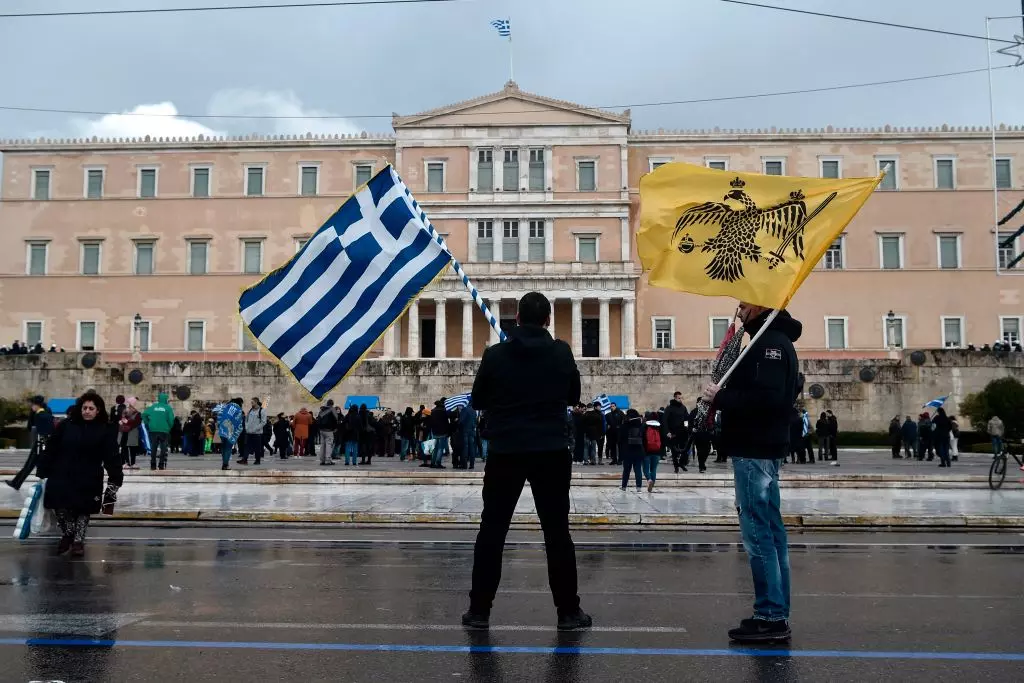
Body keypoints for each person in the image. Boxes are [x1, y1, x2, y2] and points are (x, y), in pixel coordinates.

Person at [463, 292, 590, 632]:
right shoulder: (561, 351)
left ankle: (479, 610)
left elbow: (477, 398)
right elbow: (573, 395)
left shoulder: (495, 354)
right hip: (550, 450)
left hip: (506, 450)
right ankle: (567, 612)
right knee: (557, 533)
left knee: (492, 531)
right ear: (547, 320)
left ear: (516, 318)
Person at [702, 302, 802, 644]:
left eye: (744, 302)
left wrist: (721, 396)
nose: (739, 307)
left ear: (760, 304)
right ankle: (776, 612)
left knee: (759, 533)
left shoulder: (768, 344)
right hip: (763, 447)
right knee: (772, 533)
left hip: (754, 448)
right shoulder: (771, 341)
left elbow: (769, 399)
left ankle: (770, 615)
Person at [37, 391, 122, 557]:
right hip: (62, 473)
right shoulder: (66, 425)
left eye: (91, 408)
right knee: (59, 506)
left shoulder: (105, 430)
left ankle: (78, 541)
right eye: (84, 407)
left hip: (89, 476)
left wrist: (115, 477)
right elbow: (52, 447)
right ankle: (68, 533)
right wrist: (43, 467)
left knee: (83, 509)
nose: (87, 411)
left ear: (98, 411)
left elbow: (112, 456)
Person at [7, 395, 54, 490]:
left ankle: (16, 483)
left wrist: (42, 448)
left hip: (40, 443)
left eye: (32, 404)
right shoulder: (46, 413)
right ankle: (16, 483)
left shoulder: (40, 415)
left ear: (37, 405)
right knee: (30, 465)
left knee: (31, 465)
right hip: (42, 442)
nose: (31, 407)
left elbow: (43, 432)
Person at [142, 392, 174, 470]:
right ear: (165, 399)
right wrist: (169, 427)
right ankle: (161, 464)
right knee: (163, 447)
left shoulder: (153, 407)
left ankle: (153, 464)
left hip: (153, 429)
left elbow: (143, 414)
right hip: (164, 430)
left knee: (154, 447)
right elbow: (171, 420)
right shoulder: (168, 408)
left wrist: (148, 423)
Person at [618, 409, 645, 492]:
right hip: (638, 450)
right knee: (638, 470)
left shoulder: (624, 425)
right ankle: (639, 487)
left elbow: (620, 439)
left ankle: (624, 486)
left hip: (627, 451)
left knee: (626, 470)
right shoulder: (641, 425)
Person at [663, 392, 689, 473]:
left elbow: (686, 418)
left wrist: (687, 427)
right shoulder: (669, 408)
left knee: (684, 449)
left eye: (681, 398)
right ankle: (676, 466)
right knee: (674, 451)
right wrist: (667, 432)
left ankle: (681, 463)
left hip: (682, 432)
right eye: (679, 398)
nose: (680, 399)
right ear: (675, 398)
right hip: (672, 432)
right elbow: (664, 420)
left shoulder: (683, 407)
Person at [216, 398, 245, 470]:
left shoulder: (224, 407)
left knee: (223, 447)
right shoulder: (238, 409)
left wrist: (220, 427)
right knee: (228, 448)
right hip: (231, 431)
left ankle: (224, 463)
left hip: (222, 430)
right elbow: (239, 422)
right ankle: (225, 465)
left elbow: (218, 417)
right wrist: (238, 430)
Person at [240, 397, 267, 466]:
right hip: (249, 432)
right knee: (247, 446)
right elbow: (246, 419)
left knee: (257, 447)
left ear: (256, 402)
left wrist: (256, 428)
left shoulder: (262, 411)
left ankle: (257, 460)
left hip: (257, 433)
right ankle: (244, 459)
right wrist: (246, 427)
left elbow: (264, 422)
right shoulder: (250, 410)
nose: (251, 403)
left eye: (252, 402)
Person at [119, 397, 143, 469]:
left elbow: (137, 423)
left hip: (133, 433)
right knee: (124, 448)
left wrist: (128, 422)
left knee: (133, 448)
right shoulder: (126, 412)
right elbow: (123, 419)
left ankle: (133, 463)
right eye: (129, 405)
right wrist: (121, 421)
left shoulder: (138, 414)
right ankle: (125, 462)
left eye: (130, 405)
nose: (129, 406)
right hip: (125, 432)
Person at [642, 413, 662, 492]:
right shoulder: (659, 426)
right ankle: (652, 485)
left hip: (646, 451)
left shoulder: (644, 426)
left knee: (645, 469)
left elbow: (642, 438)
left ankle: (649, 480)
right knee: (653, 469)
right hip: (657, 451)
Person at [315, 400, 339, 466]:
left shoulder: (322, 410)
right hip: (329, 430)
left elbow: (318, 419)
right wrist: (335, 428)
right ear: (332, 404)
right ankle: (328, 460)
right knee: (329, 445)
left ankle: (322, 460)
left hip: (322, 430)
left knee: (322, 445)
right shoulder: (332, 409)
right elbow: (336, 420)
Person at [429, 400, 451, 469]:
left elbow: (431, 421)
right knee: (440, 448)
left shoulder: (433, 411)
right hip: (442, 432)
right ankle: (438, 463)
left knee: (435, 448)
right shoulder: (443, 411)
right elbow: (448, 420)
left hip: (435, 431)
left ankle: (432, 463)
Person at [459, 404, 479, 470]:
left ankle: (464, 465)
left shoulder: (465, 409)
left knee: (465, 447)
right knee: (472, 448)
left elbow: (461, 421)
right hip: (472, 431)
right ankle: (472, 465)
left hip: (465, 431)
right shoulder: (474, 411)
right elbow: (476, 421)